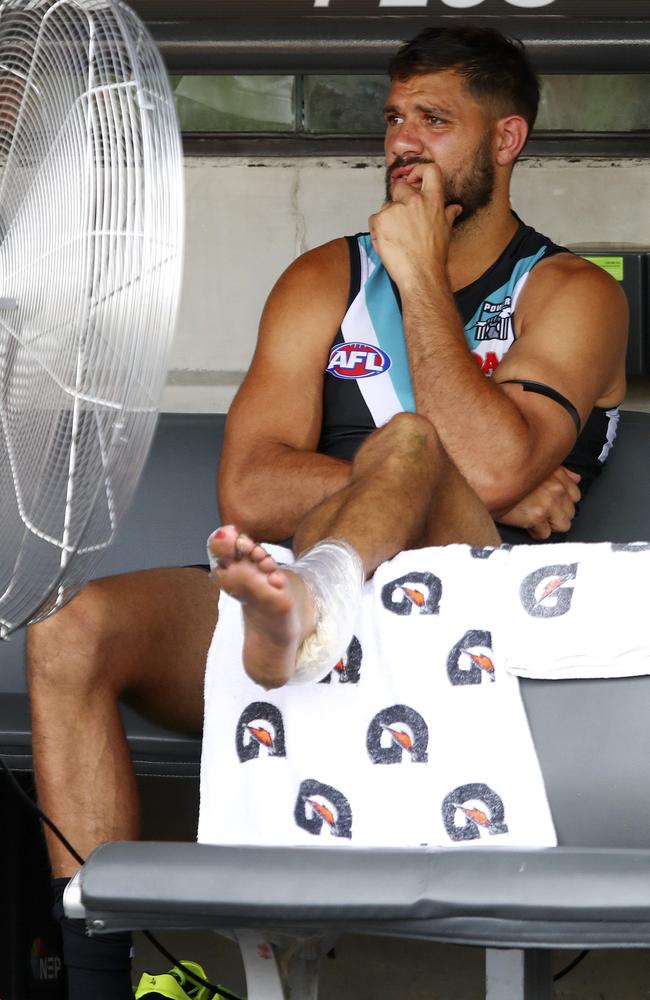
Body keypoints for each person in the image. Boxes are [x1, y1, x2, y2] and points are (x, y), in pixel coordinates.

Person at [26, 24, 626, 1000]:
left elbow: (471, 457)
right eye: (392, 117)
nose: (401, 141)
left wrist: (420, 280)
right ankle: (109, 984)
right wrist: (489, 480)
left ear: (506, 139)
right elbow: (247, 489)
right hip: (279, 596)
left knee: (415, 445)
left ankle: (311, 601)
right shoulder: (323, 278)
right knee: (69, 630)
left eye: (433, 119)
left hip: (471, 626)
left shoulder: (567, 292)